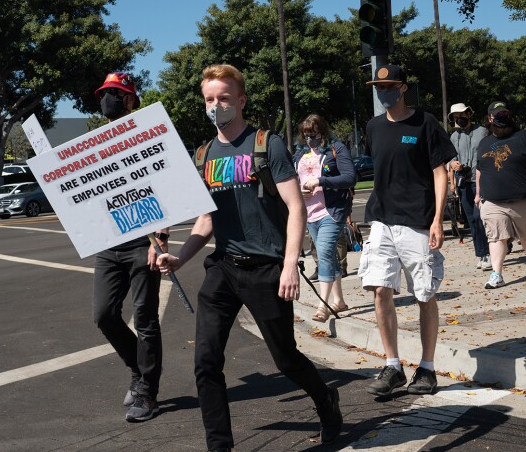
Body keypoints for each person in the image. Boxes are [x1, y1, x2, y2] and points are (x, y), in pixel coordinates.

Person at [156, 64, 342, 452]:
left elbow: (296, 207)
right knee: (205, 362)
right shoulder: (203, 154)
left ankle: (326, 400)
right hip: (223, 268)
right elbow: (206, 218)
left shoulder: (266, 143)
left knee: (286, 359)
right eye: (210, 99)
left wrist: (289, 264)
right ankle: (220, 446)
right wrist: (180, 258)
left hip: (266, 270)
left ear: (240, 100)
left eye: (224, 98)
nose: (216, 106)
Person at [359, 64, 456, 397]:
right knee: (380, 289)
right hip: (382, 221)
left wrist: (437, 219)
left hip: (417, 221)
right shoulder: (373, 127)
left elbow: (439, 172)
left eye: (388, 86)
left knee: (424, 295)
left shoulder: (425, 123)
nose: (382, 92)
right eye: (377, 87)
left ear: (403, 88)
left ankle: (427, 369)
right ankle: (392, 365)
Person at [91, 72, 169, 422]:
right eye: (104, 93)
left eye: (115, 93)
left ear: (130, 99)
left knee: (146, 319)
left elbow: (167, 188)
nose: (107, 99)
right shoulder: (95, 142)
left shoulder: (147, 134)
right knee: (104, 314)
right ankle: (138, 371)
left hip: (144, 242)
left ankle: (147, 393)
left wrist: (161, 239)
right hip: (109, 244)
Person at [474, 101, 526, 289]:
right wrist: (478, 193)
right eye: (497, 115)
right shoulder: (484, 143)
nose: (501, 117)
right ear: (490, 118)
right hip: (492, 201)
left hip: (523, 199)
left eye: (504, 114)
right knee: (496, 237)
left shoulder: (523, 137)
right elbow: (480, 170)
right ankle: (496, 274)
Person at [293, 114, 356, 322]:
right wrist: (299, 191)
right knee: (326, 254)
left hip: (333, 210)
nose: (310, 139)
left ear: (323, 132)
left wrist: (320, 181)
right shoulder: (300, 152)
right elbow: (293, 178)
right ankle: (339, 300)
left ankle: (324, 305)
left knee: (325, 250)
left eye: (314, 134)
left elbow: (349, 177)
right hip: (310, 212)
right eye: (306, 135)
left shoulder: (336, 148)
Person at [447, 103, 490, 271]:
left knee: (482, 218)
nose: (460, 119)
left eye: (462, 115)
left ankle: (489, 251)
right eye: (456, 117)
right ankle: (481, 254)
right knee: (472, 220)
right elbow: (450, 159)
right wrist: (453, 165)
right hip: (463, 182)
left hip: (481, 181)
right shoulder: (454, 137)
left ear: (469, 113)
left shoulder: (483, 132)